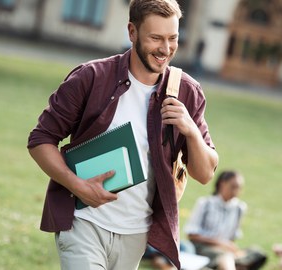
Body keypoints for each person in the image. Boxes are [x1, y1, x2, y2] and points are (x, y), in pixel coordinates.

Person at [27, 0, 219, 269]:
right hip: (84, 222)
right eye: (155, 38)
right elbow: (41, 139)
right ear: (132, 32)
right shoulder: (91, 77)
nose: (165, 49)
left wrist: (190, 130)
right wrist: (77, 185)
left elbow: (205, 173)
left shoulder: (187, 91)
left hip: (135, 234)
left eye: (173, 38)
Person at [185, 171, 267, 270]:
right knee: (226, 257)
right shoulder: (205, 203)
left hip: (226, 249)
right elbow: (192, 235)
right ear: (222, 184)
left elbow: (232, 238)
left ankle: (233, 264)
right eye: (233, 187)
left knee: (257, 253)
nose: (236, 191)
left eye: (239, 188)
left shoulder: (239, 208)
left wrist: (232, 249)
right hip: (203, 248)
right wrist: (220, 243)